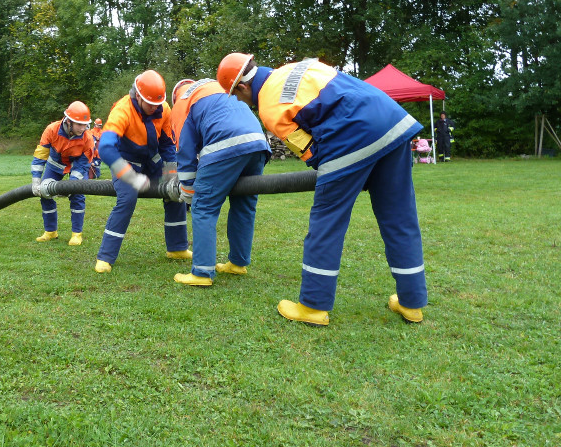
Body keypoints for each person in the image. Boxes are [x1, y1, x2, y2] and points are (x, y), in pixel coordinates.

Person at [217, 53, 428, 325]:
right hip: (392, 120)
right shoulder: (294, 68)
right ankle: (412, 303)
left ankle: (313, 306)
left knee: (326, 222)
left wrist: (352, 173)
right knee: (400, 217)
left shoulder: (269, 107)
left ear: (243, 87)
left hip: (350, 136)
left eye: (235, 95)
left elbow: (311, 152)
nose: (238, 101)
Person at [168, 78, 271, 287]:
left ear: (175, 96)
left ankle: (202, 272)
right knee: (244, 205)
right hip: (257, 143)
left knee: (203, 207)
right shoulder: (215, 87)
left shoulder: (182, 103)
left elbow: (185, 151)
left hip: (225, 145)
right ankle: (237, 263)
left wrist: (188, 189)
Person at [94, 70, 190, 273]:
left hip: (153, 162)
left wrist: (171, 174)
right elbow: (106, 148)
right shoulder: (122, 110)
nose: (155, 108)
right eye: (150, 104)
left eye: (158, 103)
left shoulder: (164, 108)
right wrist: (130, 177)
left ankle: (177, 248)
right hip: (126, 164)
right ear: (138, 96)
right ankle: (105, 257)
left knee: (175, 192)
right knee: (127, 199)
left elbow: (167, 144)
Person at [31, 101, 95, 246]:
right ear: (68, 121)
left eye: (85, 124)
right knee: (45, 193)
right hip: (55, 165)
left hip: (77, 167)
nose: (83, 128)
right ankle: (50, 231)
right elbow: (40, 155)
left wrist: (70, 186)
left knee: (77, 195)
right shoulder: (52, 130)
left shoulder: (87, 138)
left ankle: (76, 234)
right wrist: (36, 179)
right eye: (79, 124)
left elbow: (83, 164)